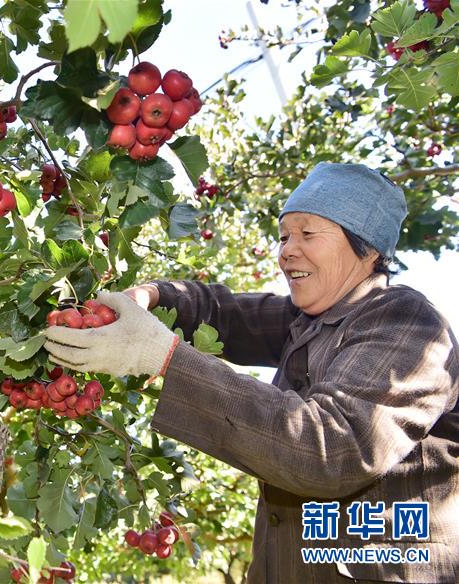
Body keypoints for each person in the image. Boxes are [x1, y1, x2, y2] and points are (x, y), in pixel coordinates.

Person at [44, 163, 459, 583]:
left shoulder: (406, 324)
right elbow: (223, 314)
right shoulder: (310, 320)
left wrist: (163, 357)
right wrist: (152, 296)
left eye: (308, 234)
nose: (287, 251)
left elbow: (331, 449)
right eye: (284, 236)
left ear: (367, 250)